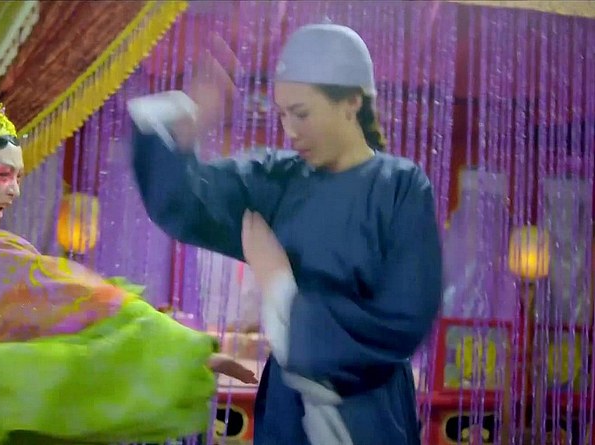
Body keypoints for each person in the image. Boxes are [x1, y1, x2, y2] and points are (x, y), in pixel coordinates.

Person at [0, 89, 256, 445]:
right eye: (3, 174)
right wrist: (186, 352)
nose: (14, 190)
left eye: (18, 177)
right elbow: (86, 301)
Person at [128, 24, 442, 444]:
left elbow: (403, 320)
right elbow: (185, 206)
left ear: (352, 102)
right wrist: (179, 130)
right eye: (282, 114)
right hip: (287, 409)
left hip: (369, 411)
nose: (290, 129)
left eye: (302, 113)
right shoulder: (277, 180)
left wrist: (280, 288)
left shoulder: (400, 188)